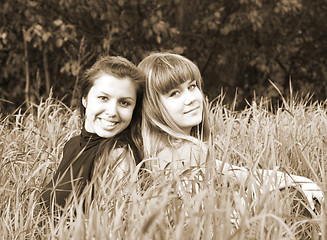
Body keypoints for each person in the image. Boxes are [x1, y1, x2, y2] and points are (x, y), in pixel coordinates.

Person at [138, 52, 323, 214]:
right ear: (152, 107)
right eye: (174, 93)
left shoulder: (168, 148)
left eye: (192, 86)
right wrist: (280, 191)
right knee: (292, 198)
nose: (190, 99)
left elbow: (238, 173)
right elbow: (200, 217)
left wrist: (296, 180)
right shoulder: (183, 151)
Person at [41, 55, 144, 210]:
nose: (112, 111)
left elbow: (114, 228)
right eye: (103, 98)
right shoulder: (71, 145)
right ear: (84, 98)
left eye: (124, 103)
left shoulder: (117, 155)